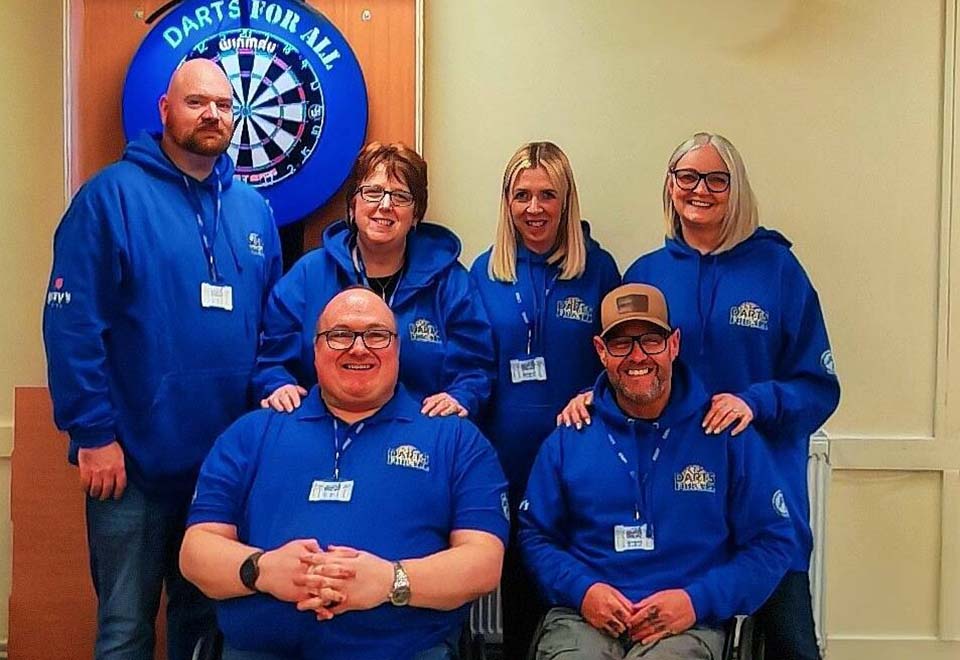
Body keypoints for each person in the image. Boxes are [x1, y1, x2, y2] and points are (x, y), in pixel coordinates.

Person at [564, 133, 840, 658]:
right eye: (687, 177)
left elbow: (819, 388)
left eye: (717, 179)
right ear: (670, 187)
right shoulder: (648, 273)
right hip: (677, 501)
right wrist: (587, 397)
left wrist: (755, 401)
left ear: (736, 190)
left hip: (762, 489)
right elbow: (626, 364)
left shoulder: (779, 270)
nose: (701, 190)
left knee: (790, 642)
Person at [42, 59, 283, 659]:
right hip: (131, 468)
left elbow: (273, 331)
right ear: (165, 111)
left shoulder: (254, 212)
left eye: (225, 107)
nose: (213, 116)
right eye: (197, 102)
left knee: (205, 628)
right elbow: (72, 327)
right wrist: (93, 433)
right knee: (125, 627)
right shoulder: (109, 198)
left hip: (225, 470)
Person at [180, 288, 510, 660]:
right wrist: (263, 570)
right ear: (316, 349)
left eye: (376, 335)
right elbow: (196, 551)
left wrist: (391, 581)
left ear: (398, 349)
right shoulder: (253, 433)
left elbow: (483, 563)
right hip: (260, 650)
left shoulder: (456, 440)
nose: (358, 348)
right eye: (340, 335)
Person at [521, 284, 794, 660]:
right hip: (585, 619)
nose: (637, 357)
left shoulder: (724, 434)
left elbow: (773, 542)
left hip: (688, 623)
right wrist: (583, 591)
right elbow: (535, 535)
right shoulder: (571, 436)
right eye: (621, 344)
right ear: (601, 351)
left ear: (674, 344)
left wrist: (697, 601)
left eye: (651, 340)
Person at [469, 141, 620, 657]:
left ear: (566, 201)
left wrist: (590, 393)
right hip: (504, 458)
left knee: (569, 591)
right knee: (516, 587)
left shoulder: (599, 271)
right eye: (522, 195)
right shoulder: (484, 273)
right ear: (507, 201)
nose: (534, 209)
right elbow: (471, 367)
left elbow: (620, 362)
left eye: (547, 195)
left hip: (576, 458)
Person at [254, 141, 494, 419]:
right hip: (324, 433)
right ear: (353, 205)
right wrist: (278, 385)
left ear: (416, 214)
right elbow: (271, 359)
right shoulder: (307, 276)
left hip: (419, 438)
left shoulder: (450, 283)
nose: (386, 205)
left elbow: (476, 368)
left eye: (401, 196)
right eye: (373, 192)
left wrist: (460, 397)